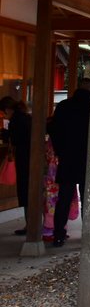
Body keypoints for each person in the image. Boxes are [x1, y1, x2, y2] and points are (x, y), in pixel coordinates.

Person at [49, 77, 90, 248]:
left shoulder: (64, 106)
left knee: (64, 198)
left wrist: (60, 151)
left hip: (68, 157)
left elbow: (53, 129)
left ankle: (58, 234)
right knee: (87, 198)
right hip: (87, 158)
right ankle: (88, 234)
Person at [2, 96, 32, 235]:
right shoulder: (26, 117)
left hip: (23, 159)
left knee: (25, 192)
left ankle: (29, 225)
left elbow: (13, 139)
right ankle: (33, 223)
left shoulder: (15, 120)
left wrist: (6, 132)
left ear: (8, 109)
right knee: (31, 192)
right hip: (31, 159)